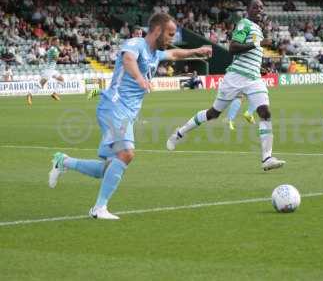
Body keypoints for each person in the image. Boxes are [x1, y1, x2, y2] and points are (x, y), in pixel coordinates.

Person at [48, 13, 212, 220]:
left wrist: (197, 50)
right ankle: (99, 208)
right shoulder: (136, 44)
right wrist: (139, 78)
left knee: (106, 169)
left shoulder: (155, 53)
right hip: (114, 106)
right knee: (127, 153)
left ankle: (64, 162)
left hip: (124, 113)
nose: (172, 39)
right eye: (170, 34)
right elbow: (128, 59)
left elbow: (176, 54)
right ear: (158, 31)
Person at [166, 0, 285, 171]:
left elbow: (247, 54)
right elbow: (233, 47)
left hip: (253, 78)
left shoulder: (258, 29)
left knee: (265, 112)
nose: (259, 9)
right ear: (248, 10)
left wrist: (259, 67)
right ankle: (179, 133)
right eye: (255, 7)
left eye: (261, 7)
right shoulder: (244, 24)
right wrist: (258, 43)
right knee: (213, 113)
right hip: (235, 78)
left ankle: (267, 158)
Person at [26, 37, 64, 106]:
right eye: (57, 42)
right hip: (49, 70)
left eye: (58, 42)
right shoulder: (53, 49)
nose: (58, 43)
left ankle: (54, 93)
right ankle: (30, 94)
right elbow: (55, 58)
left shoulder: (52, 49)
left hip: (52, 69)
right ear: (53, 42)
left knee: (61, 79)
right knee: (41, 84)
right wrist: (64, 58)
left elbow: (47, 56)